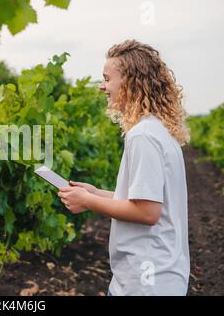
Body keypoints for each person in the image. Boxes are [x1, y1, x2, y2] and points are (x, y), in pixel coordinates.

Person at [58, 39, 190, 296]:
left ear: (129, 82)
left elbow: (147, 212)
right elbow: (145, 199)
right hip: (153, 277)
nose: (102, 87)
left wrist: (87, 201)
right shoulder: (158, 130)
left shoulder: (143, 136)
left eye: (107, 79)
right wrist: (95, 193)